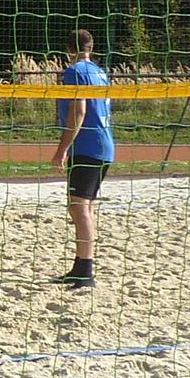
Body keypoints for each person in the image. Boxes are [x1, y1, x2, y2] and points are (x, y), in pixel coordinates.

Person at [50, 29, 114, 290]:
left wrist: (62, 149)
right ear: (92, 47)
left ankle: (86, 271)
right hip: (104, 145)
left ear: (68, 49)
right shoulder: (100, 72)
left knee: (79, 207)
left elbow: (79, 112)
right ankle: (80, 267)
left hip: (87, 146)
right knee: (85, 208)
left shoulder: (74, 72)